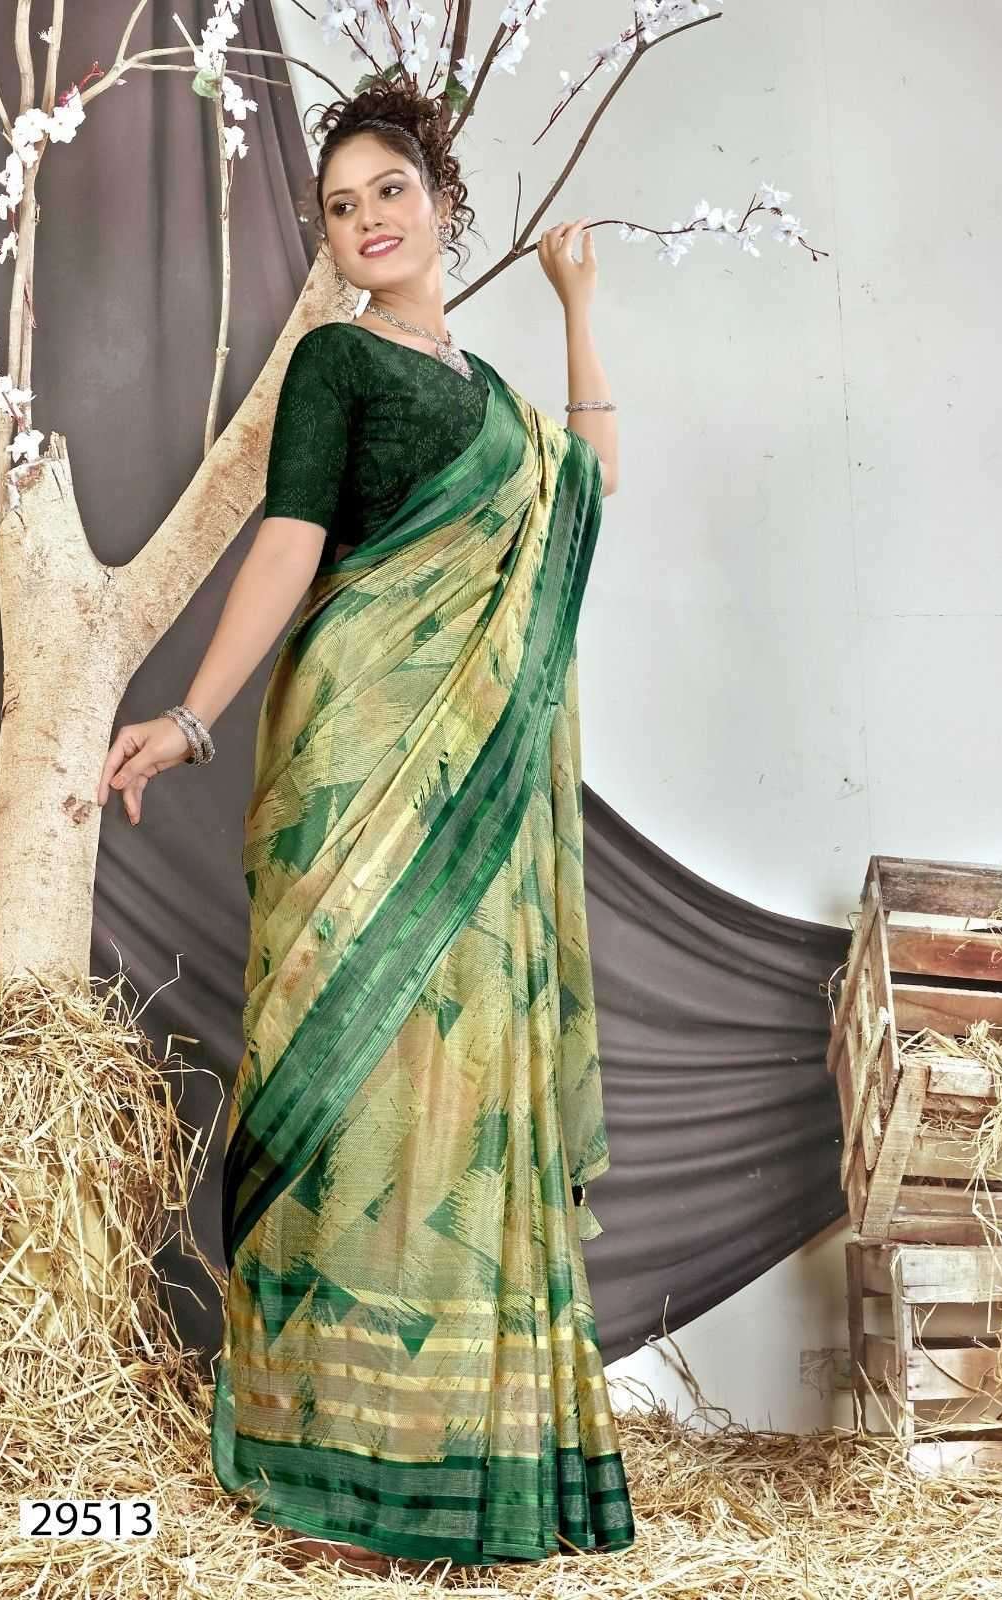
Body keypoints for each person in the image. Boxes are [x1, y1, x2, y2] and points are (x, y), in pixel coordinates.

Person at [97, 77, 634, 1581]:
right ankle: (326, 1443)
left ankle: (452, 1445)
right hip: (357, 755)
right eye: (338, 208)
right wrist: (193, 713)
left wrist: (579, 307)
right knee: (354, 1062)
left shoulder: (502, 404)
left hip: (477, 782)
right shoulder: (335, 360)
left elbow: (586, 497)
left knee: (464, 1070)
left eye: (388, 191)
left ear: (443, 201)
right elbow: (289, 538)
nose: (365, 221)